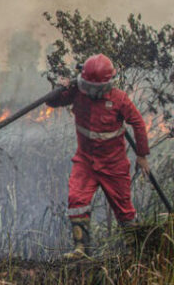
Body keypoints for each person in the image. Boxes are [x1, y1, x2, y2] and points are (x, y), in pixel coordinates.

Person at [46, 54, 150, 259]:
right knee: (77, 199)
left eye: (96, 88)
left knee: (124, 210)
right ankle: (81, 250)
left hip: (114, 165)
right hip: (85, 161)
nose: (91, 92)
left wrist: (142, 155)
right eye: (88, 87)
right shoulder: (77, 93)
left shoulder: (119, 99)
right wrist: (60, 89)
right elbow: (52, 103)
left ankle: (136, 253)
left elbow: (138, 123)